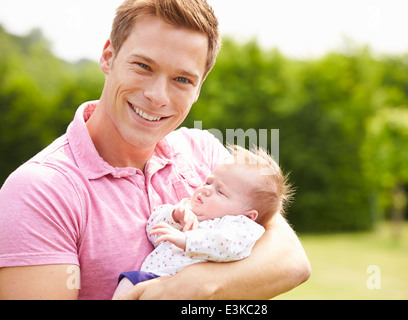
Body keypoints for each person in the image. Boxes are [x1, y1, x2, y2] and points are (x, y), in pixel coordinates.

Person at [0, 0, 310, 300]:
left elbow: (291, 262)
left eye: (181, 79)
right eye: (143, 66)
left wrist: (193, 287)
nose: (157, 96)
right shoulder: (39, 191)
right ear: (109, 56)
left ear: (199, 86)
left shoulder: (204, 153)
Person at [113, 145, 293, 298]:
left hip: (184, 289)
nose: (206, 190)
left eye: (221, 192)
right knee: (127, 282)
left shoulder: (240, 227)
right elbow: (154, 231)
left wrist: (187, 240)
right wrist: (174, 215)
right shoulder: (189, 210)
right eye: (209, 182)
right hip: (152, 276)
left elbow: (227, 246)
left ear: (248, 215)